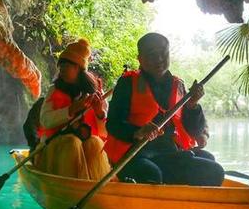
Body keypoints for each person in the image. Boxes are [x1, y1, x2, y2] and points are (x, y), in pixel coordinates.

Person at [104, 32, 224, 186]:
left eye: (163, 53)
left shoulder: (178, 85)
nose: (159, 59)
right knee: (152, 174)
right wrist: (138, 132)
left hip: (167, 154)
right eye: (152, 55)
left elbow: (194, 132)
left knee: (212, 168)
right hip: (135, 154)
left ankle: (171, 188)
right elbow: (113, 124)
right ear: (140, 59)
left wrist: (193, 104)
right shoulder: (127, 83)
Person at [34, 38, 111, 180]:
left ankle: (93, 185)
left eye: (66, 66)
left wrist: (100, 113)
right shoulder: (54, 90)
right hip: (56, 145)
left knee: (95, 143)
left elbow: (105, 133)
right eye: (60, 66)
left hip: (86, 144)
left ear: (78, 68)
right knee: (72, 142)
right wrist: (70, 110)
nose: (61, 70)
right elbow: (45, 121)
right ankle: (71, 185)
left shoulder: (96, 92)